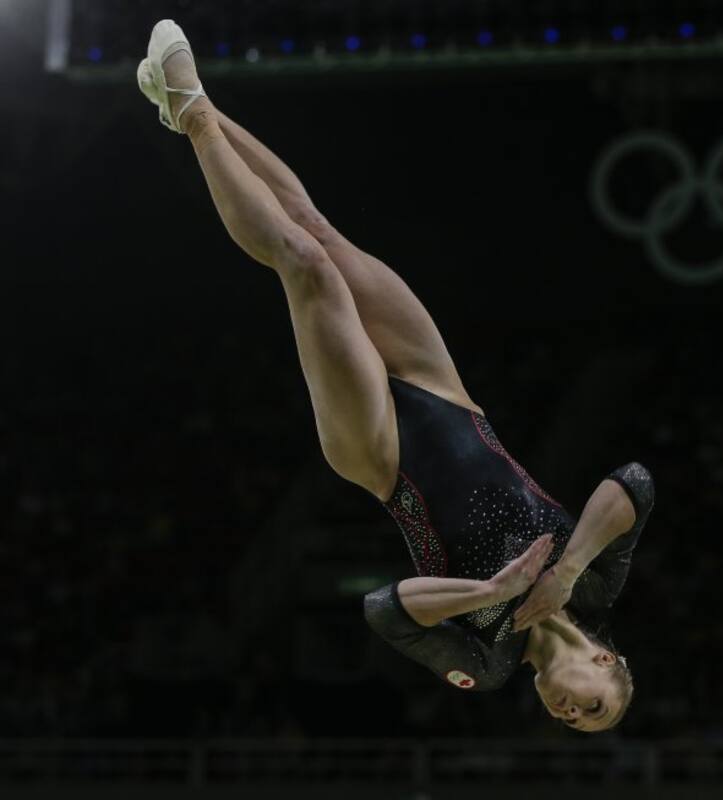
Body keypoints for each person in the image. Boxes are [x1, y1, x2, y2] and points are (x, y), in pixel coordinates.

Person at [135, 21, 654, 731]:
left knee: (306, 267)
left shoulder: (491, 661)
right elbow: (632, 483)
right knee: (321, 231)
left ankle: (193, 114)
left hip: (383, 459)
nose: (568, 711)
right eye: (591, 708)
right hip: (449, 398)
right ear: (606, 665)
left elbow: (384, 609)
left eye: (570, 721)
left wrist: (488, 593)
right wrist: (565, 572)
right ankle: (186, 104)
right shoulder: (594, 589)